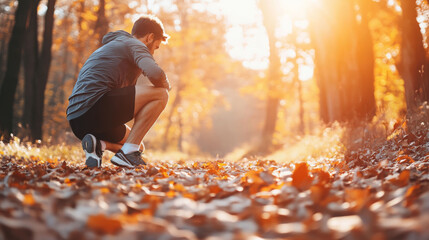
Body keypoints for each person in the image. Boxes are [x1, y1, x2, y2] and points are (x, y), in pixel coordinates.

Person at [66, 15, 170, 168]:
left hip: (77, 120)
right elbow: (155, 74)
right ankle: (127, 154)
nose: (152, 54)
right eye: (155, 47)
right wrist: (166, 85)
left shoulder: (116, 45)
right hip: (94, 107)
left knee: (137, 146)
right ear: (150, 37)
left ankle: (99, 145)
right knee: (161, 94)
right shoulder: (134, 44)